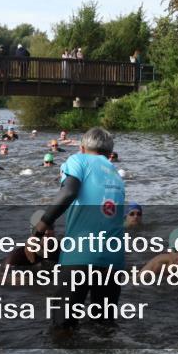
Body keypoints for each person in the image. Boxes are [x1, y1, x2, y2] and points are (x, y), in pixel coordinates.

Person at [33, 127, 125, 330]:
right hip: (114, 258)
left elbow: (69, 192)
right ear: (110, 153)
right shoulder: (117, 175)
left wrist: (42, 224)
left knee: (63, 325)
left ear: (82, 148)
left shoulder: (78, 160)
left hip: (81, 254)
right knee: (104, 326)